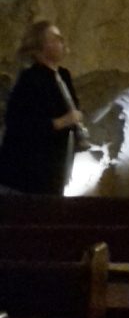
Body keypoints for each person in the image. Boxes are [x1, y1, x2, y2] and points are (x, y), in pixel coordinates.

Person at [0, 20, 84, 194]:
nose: (62, 41)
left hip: (54, 169)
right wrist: (60, 122)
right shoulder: (30, 80)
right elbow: (17, 124)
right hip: (27, 174)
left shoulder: (63, 76)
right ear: (41, 47)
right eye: (55, 38)